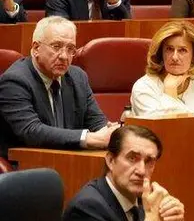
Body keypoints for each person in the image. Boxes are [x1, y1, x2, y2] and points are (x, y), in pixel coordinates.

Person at [54, 124, 193, 221]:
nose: (142, 171)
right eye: (132, 158)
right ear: (110, 160)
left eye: (149, 161)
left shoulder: (144, 200)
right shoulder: (87, 209)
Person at [0, 16, 119, 158]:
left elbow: (97, 122)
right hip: (26, 167)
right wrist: (90, 138)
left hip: (68, 160)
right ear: (36, 48)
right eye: (56, 46)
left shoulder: (77, 77)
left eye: (71, 49)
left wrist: (112, 133)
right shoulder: (15, 81)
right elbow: (32, 131)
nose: (64, 56)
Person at [130, 21, 194, 117]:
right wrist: (170, 93)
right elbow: (165, 129)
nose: (175, 57)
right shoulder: (143, 88)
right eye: (169, 49)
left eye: (182, 50)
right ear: (160, 53)